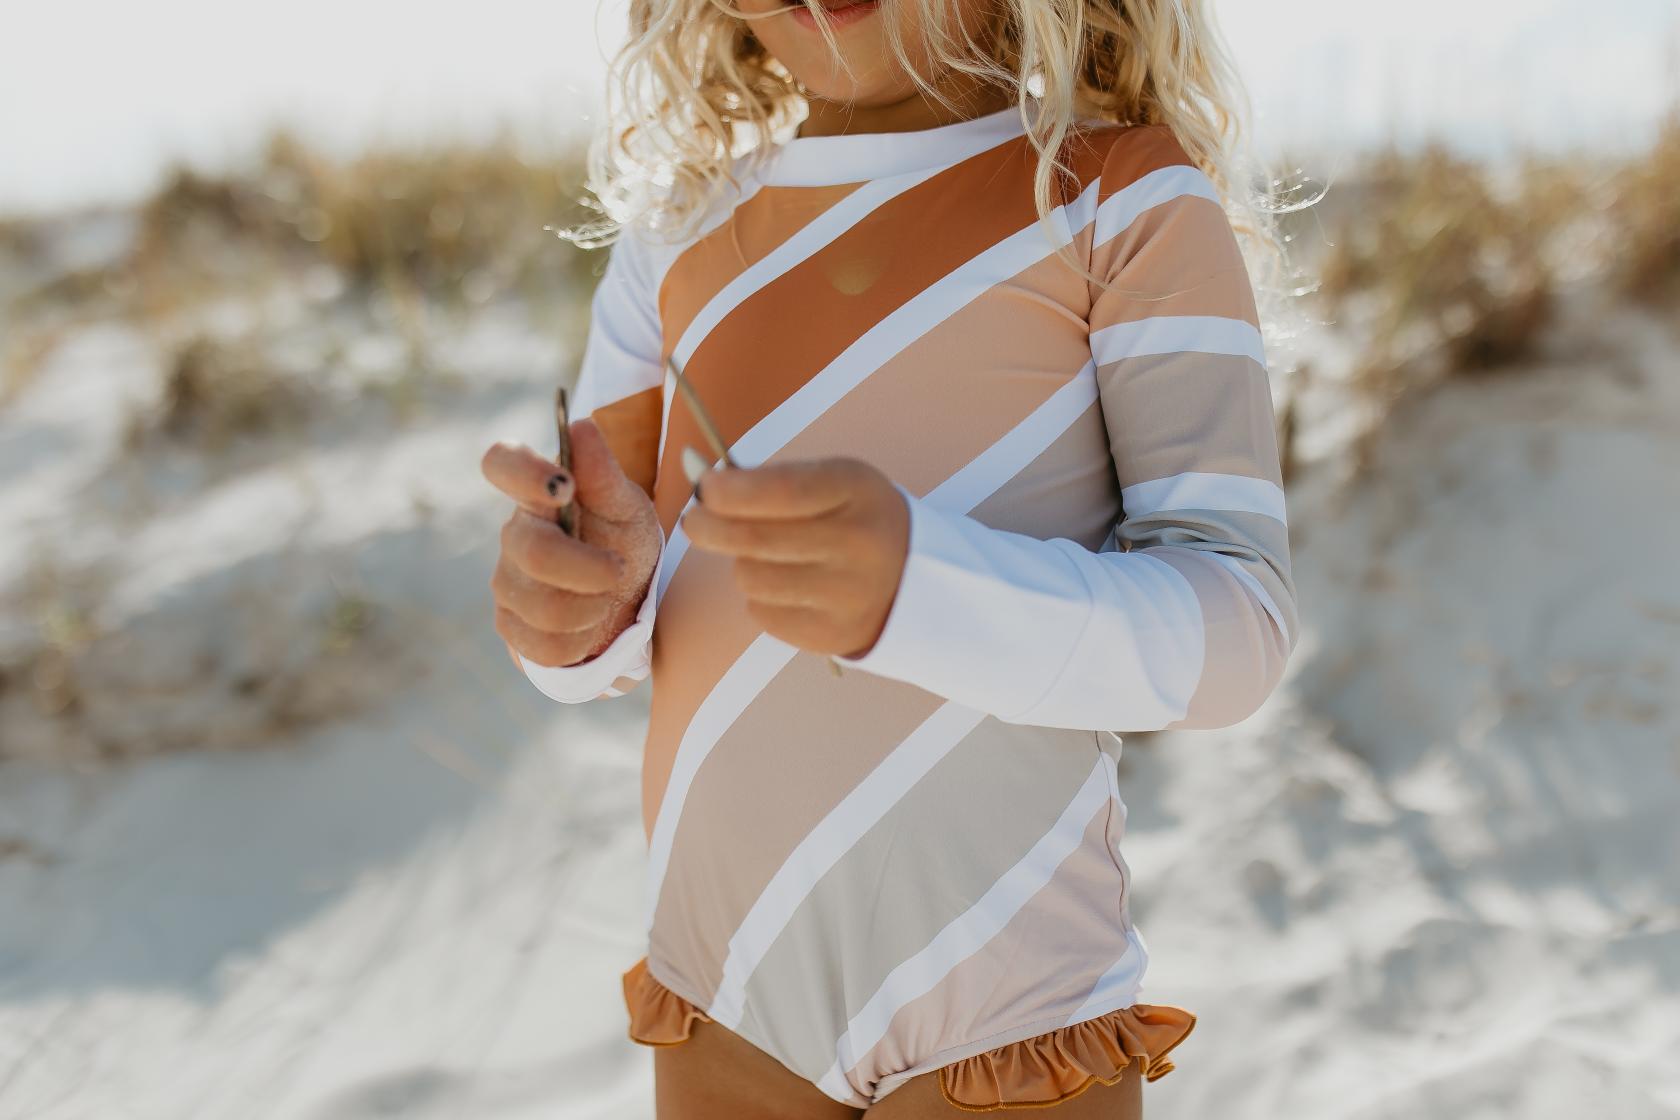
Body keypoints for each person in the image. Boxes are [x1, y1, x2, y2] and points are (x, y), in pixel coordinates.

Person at [480, 0, 1298, 1113]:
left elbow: (1238, 623)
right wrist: (573, 616)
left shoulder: (1116, 194)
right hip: (721, 988)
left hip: (1003, 999)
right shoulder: (676, 229)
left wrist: (923, 590)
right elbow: (614, 617)